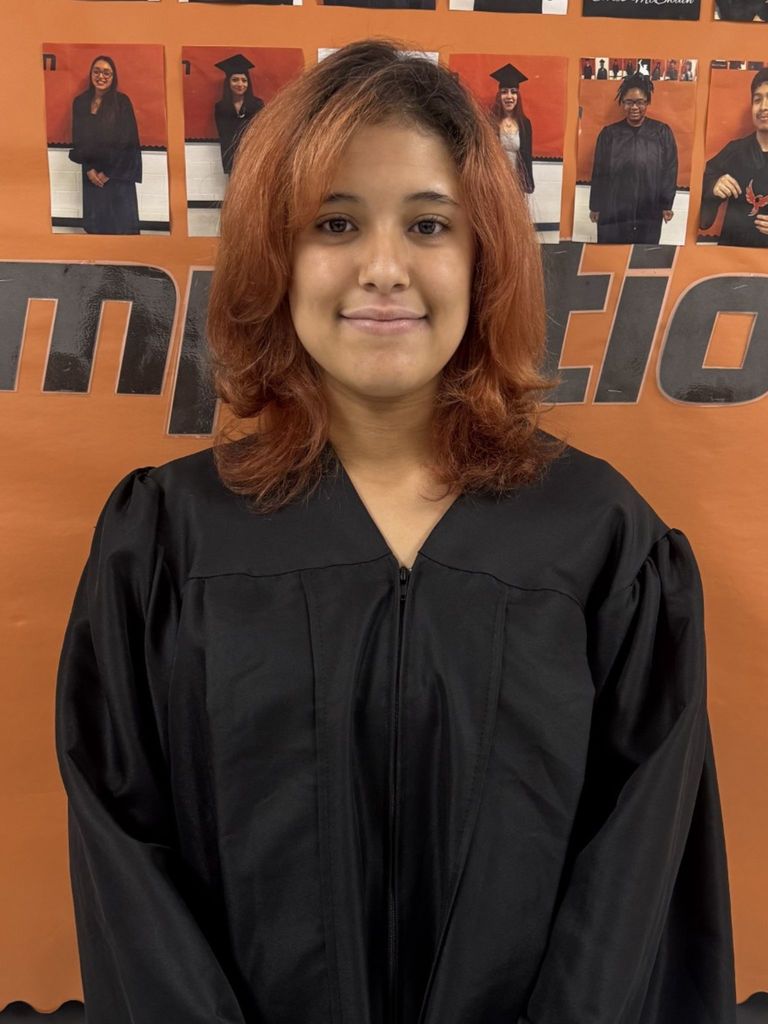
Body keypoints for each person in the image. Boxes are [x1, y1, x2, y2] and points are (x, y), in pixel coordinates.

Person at [56, 39, 737, 1024]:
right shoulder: (168, 545)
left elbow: (632, 901)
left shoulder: (602, 547)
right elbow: (132, 885)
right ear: (277, 257)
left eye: (428, 223)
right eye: (335, 221)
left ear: (483, 256)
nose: (383, 267)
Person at [589, 73, 678, 243]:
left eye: (640, 102)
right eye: (629, 102)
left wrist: (667, 204)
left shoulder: (661, 132)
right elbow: (599, 171)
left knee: (643, 256)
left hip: (649, 206)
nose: (634, 107)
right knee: (611, 253)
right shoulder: (610, 134)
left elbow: (670, 169)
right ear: (622, 103)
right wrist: (595, 206)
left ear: (647, 102)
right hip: (614, 207)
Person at [68, 55, 141, 235]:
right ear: (91, 74)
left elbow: (127, 141)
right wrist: (89, 169)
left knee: (120, 225)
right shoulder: (80, 102)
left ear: (113, 76)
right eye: (97, 71)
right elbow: (78, 139)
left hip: (117, 174)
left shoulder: (122, 102)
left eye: (107, 73)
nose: (101, 76)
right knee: (96, 225)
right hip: (91, 174)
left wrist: (108, 172)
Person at [700, 67, 768, 247]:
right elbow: (706, 179)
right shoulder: (735, 150)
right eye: (757, 100)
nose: (763, 107)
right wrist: (713, 185)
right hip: (731, 257)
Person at [213, 54, 265, 175]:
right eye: (235, 79)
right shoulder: (221, 107)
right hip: (231, 156)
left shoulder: (257, 105)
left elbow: (260, 132)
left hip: (252, 155)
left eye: (244, 80)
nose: (240, 84)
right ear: (228, 83)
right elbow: (224, 135)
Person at [489, 62, 534, 193]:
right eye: (504, 92)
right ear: (499, 96)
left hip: (516, 184)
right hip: (495, 182)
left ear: (517, 96)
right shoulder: (490, 122)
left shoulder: (525, 124)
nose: (509, 96)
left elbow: (527, 158)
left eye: (513, 92)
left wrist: (527, 185)